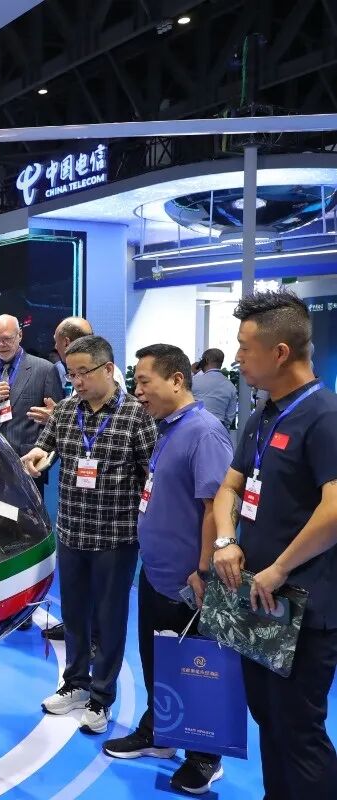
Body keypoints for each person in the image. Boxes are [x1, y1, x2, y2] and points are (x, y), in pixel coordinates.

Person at [212, 290, 337, 800]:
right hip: (257, 598)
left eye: (245, 347)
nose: (237, 356)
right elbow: (230, 486)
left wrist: (281, 567)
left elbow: (335, 508)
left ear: (280, 352)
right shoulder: (264, 414)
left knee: (298, 730)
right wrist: (225, 540)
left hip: (304, 607)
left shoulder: (325, 416)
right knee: (267, 716)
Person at [103, 343, 232, 794]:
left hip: (188, 582)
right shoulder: (167, 428)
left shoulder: (205, 433)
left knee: (197, 668)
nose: (137, 391)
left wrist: (203, 569)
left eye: (144, 381)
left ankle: (205, 756)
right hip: (156, 574)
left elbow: (216, 506)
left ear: (176, 380)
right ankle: (160, 731)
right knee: (159, 662)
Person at [21, 336, 156, 735]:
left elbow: (151, 473)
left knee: (109, 620)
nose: (76, 381)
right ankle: (76, 683)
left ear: (108, 369)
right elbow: (45, 447)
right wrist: (37, 457)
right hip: (71, 531)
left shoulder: (135, 415)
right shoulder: (66, 410)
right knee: (74, 615)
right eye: (71, 373)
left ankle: (101, 696)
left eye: (83, 373)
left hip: (115, 536)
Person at [0, 314, 64, 495]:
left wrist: (43, 459)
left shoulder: (44, 370)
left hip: (26, 462)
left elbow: (56, 421)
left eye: (7, 339)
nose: (1, 344)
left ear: (20, 335)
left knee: (26, 513)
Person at [28, 316, 126, 426]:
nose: (78, 382)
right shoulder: (103, 370)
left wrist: (58, 418)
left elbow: (105, 422)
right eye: (72, 375)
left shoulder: (107, 373)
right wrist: (61, 414)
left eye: (84, 372)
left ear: (66, 342)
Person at [192, 348, 239, 430]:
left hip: (195, 426)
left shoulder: (194, 381)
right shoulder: (230, 386)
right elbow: (229, 416)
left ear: (206, 360)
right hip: (219, 428)